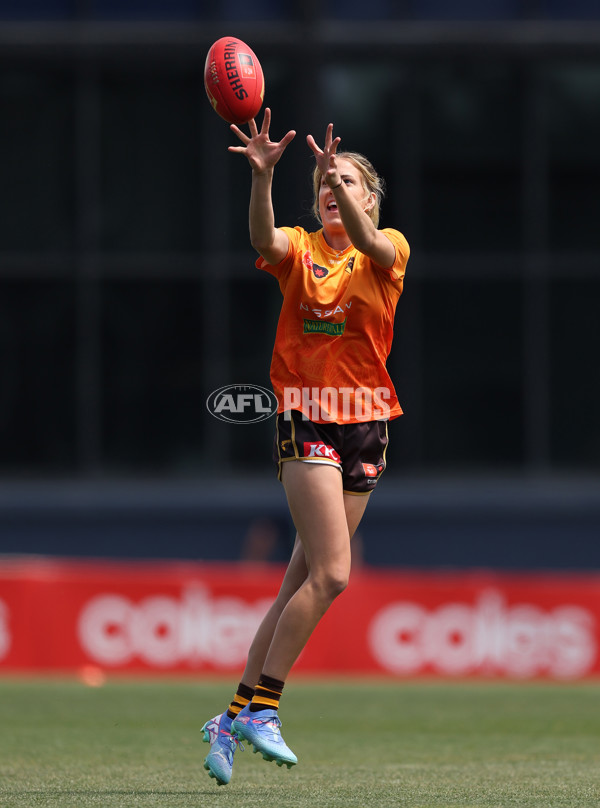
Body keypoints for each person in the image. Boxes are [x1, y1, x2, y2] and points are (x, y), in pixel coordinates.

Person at [201, 108, 409, 785]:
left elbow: (376, 246)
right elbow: (265, 237)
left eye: (346, 180)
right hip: (308, 419)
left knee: (302, 580)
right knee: (335, 575)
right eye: (324, 181)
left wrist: (338, 180)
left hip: (369, 424)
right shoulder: (302, 246)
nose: (331, 187)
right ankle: (264, 708)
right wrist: (263, 178)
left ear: (370, 198)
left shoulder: (390, 249)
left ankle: (229, 717)